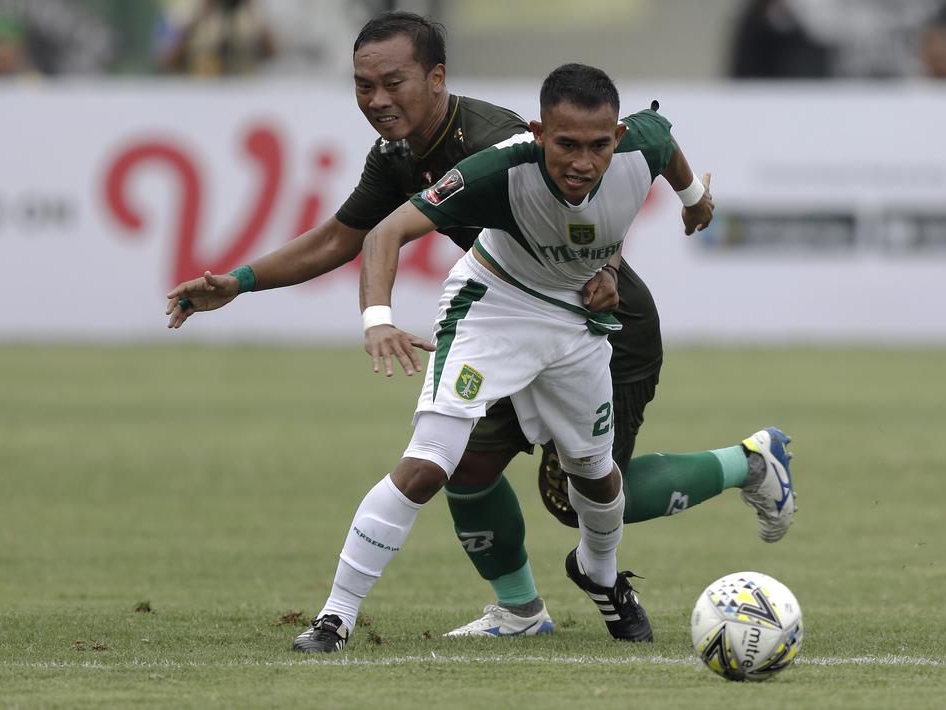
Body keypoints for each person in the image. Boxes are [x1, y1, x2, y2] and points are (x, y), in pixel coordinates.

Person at [164, 12, 797, 647]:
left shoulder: (493, 143)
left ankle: (745, 464)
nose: (378, 100)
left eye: (394, 83)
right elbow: (342, 238)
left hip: (610, 321)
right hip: (506, 310)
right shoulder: (400, 155)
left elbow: (601, 179)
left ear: (436, 78)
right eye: (364, 86)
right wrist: (241, 282)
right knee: (457, 466)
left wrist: (630, 247)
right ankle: (516, 610)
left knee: (582, 493)